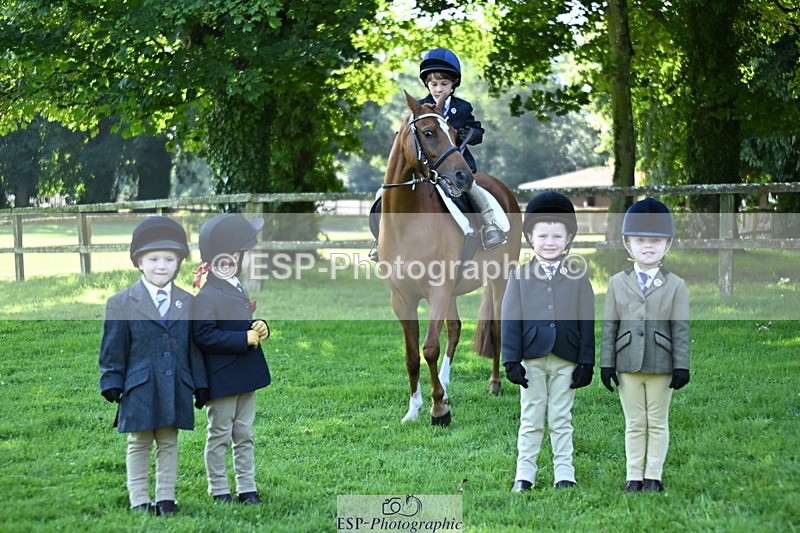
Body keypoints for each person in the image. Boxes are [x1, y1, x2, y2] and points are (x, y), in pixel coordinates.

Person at [99, 216, 208, 515]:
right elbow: (113, 347)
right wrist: (111, 379)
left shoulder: (188, 302)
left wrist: (200, 383)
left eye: (170, 259)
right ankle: (139, 499)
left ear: (179, 263)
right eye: (154, 259)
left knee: (169, 441)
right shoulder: (121, 303)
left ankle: (166, 498)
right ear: (139, 262)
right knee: (140, 441)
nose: (162, 266)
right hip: (140, 385)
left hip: (176, 384)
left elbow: (193, 346)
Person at [367, 48, 504, 261]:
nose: (439, 89)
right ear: (427, 85)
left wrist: (471, 133)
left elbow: (478, 131)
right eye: (434, 84)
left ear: (453, 84)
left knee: (473, 189)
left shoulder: (463, 108)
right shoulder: (419, 108)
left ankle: (489, 225)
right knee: (382, 195)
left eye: (444, 84)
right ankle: (381, 240)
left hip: (455, 167)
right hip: (426, 169)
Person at [501, 192, 595, 492]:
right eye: (543, 236)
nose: (550, 242)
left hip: (567, 358)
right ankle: (524, 475)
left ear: (569, 239)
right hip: (532, 359)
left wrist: (586, 361)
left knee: (561, 417)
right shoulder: (519, 276)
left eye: (557, 236)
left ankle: (564, 474)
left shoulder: (578, 276)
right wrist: (511, 360)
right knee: (531, 416)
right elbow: (510, 321)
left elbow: (586, 321)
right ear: (530, 237)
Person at [600, 198, 690, 493]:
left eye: (655, 240)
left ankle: (653, 476)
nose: (648, 246)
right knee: (635, 423)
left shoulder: (676, 284)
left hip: (661, 364)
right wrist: (606, 363)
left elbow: (680, 328)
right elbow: (609, 326)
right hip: (627, 363)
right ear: (627, 244)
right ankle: (633, 476)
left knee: (658, 422)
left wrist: (681, 365)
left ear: (668, 245)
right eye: (640, 240)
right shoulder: (615, 283)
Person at [192, 214, 271, 504]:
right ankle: (219, 489)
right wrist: (241, 339)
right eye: (246, 253)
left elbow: (240, 322)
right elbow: (203, 335)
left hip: (245, 373)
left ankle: (246, 487)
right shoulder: (207, 295)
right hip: (222, 378)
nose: (249, 258)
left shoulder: (235, 285)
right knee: (220, 434)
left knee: (244, 432)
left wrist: (259, 326)